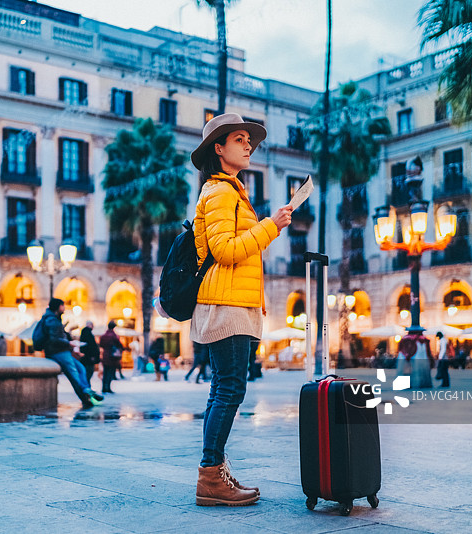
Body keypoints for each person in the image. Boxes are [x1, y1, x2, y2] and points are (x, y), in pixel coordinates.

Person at [189, 113, 292, 506]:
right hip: (226, 302)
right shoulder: (219, 193)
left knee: (224, 388)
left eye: (250, 140)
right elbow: (225, 251)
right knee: (229, 388)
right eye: (239, 139)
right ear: (219, 149)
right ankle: (211, 477)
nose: (248, 145)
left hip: (235, 301)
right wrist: (271, 227)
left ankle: (213, 472)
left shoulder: (232, 191)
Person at [40, 298, 104, 408]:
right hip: (57, 352)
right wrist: (69, 343)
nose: (64, 308)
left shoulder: (54, 319)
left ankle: (86, 389)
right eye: (63, 306)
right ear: (58, 307)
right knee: (74, 375)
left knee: (81, 368)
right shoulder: (52, 320)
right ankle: (85, 398)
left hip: (62, 351)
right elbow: (54, 340)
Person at [99, 321, 123, 393]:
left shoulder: (104, 335)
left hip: (105, 355)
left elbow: (101, 344)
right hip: (112, 356)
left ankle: (104, 387)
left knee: (105, 372)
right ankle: (108, 387)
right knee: (110, 372)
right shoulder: (114, 336)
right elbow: (119, 344)